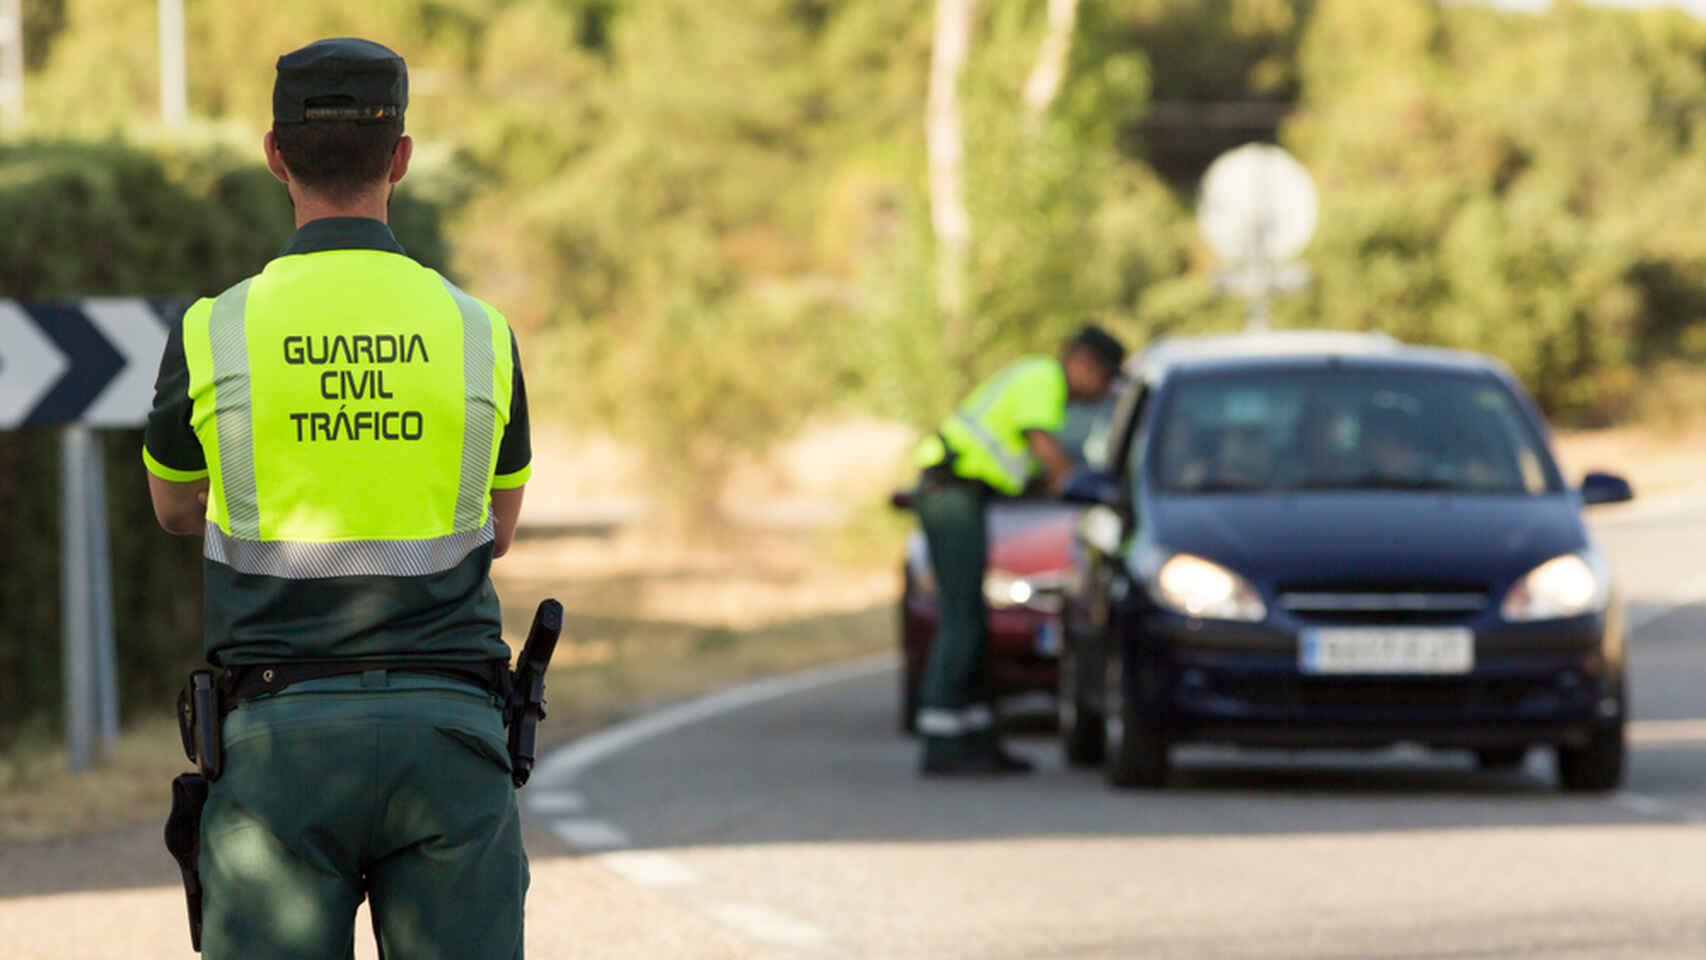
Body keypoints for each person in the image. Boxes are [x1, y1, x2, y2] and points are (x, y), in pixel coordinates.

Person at [143, 38, 531, 959]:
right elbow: (498, 526)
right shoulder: (481, 332)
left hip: (279, 748)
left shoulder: (213, 329)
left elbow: (171, 507)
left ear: (275, 155)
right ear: (400, 157)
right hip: (450, 736)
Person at [910, 324, 1126, 776]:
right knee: (962, 618)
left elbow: (1029, 468)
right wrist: (1083, 483)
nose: (1102, 391)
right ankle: (942, 738)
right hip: (951, 496)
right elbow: (1043, 446)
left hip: (964, 497)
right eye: (1104, 379)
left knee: (972, 619)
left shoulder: (1039, 380)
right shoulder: (1043, 379)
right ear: (1084, 364)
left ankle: (975, 735)